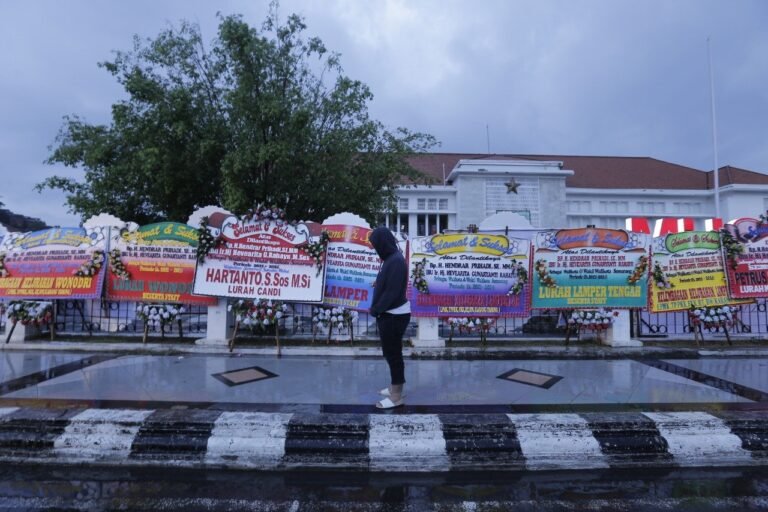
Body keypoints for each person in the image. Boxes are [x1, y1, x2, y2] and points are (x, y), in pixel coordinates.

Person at [368, 226, 411, 409]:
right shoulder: (390, 259)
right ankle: (395, 387)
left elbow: (392, 293)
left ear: (383, 243)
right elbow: (390, 283)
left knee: (393, 355)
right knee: (390, 353)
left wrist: (376, 309)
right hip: (391, 314)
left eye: (376, 245)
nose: (375, 249)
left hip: (394, 315)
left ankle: (396, 396)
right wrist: (379, 283)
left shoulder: (395, 261)